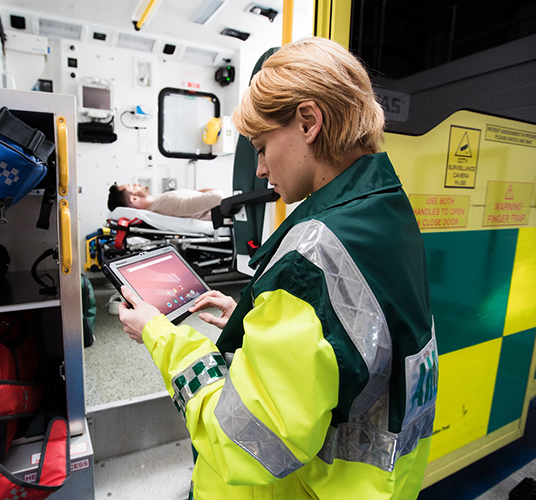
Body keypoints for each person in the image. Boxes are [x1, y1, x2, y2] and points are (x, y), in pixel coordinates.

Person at [117, 36, 437, 499]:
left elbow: (241, 445)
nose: (261, 169)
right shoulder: (387, 212)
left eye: (262, 147)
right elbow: (355, 340)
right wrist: (254, 321)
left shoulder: (311, 262)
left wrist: (159, 334)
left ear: (308, 121)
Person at [107, 183, 224, 221]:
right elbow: (217, 198)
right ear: (134, 199)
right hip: (228, 213)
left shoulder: (158, 201)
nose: (136, 184)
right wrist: (211, 190)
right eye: (132, 186)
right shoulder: (166, 203)